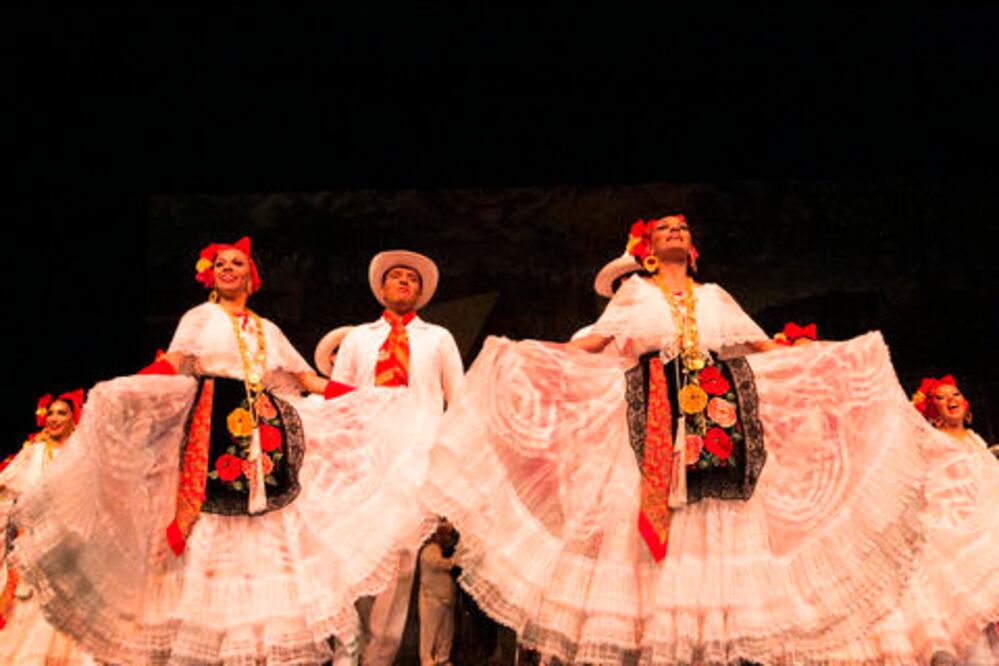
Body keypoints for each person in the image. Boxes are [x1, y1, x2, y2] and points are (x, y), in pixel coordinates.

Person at [424, 214, 999, 664]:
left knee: (718, 526)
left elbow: (761, 349)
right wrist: (527, 355)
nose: (675, 232)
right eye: (664, 229)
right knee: (651, 527)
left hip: (721, 426)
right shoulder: (634, 296)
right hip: (648, 420)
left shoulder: (716, 296)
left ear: (693, 248)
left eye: (683, 228)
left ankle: (713, 644)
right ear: (649, 248)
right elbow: (595, 344)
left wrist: (826, 357)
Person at [10, 237, 436, 665]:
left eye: (237, 263)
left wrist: (366, 397)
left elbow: (307, 380)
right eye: (220, 264)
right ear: (210, 277)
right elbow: (175, 361)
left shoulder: (268, 330)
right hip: (211, 430)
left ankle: (255, 647)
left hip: (263, 438)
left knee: (266, 533)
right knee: (207, 526)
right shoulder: (200, 317)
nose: (228, 268)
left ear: (252, 278)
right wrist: (132, 382)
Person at [333, 249, 464, 666]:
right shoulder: (358, 339)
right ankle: (346, 654)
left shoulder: (438, 338)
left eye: (412, 278)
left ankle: (377, 658)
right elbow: (338, 401)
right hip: (365, 459)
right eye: (397, 276)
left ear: (420, 292)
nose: (405, 281)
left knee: (401, 566)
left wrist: (450, 465)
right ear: (382, 287)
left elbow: (458, 403)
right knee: (354, 560)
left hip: (416, 461)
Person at [0, 391, 94, 665]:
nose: (53, 418)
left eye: (61, 413)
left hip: (69, 543)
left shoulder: (82, 454)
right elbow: (6, 484)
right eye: (50, 413)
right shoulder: (34, 452)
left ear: (74, 418)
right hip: (34, 540)